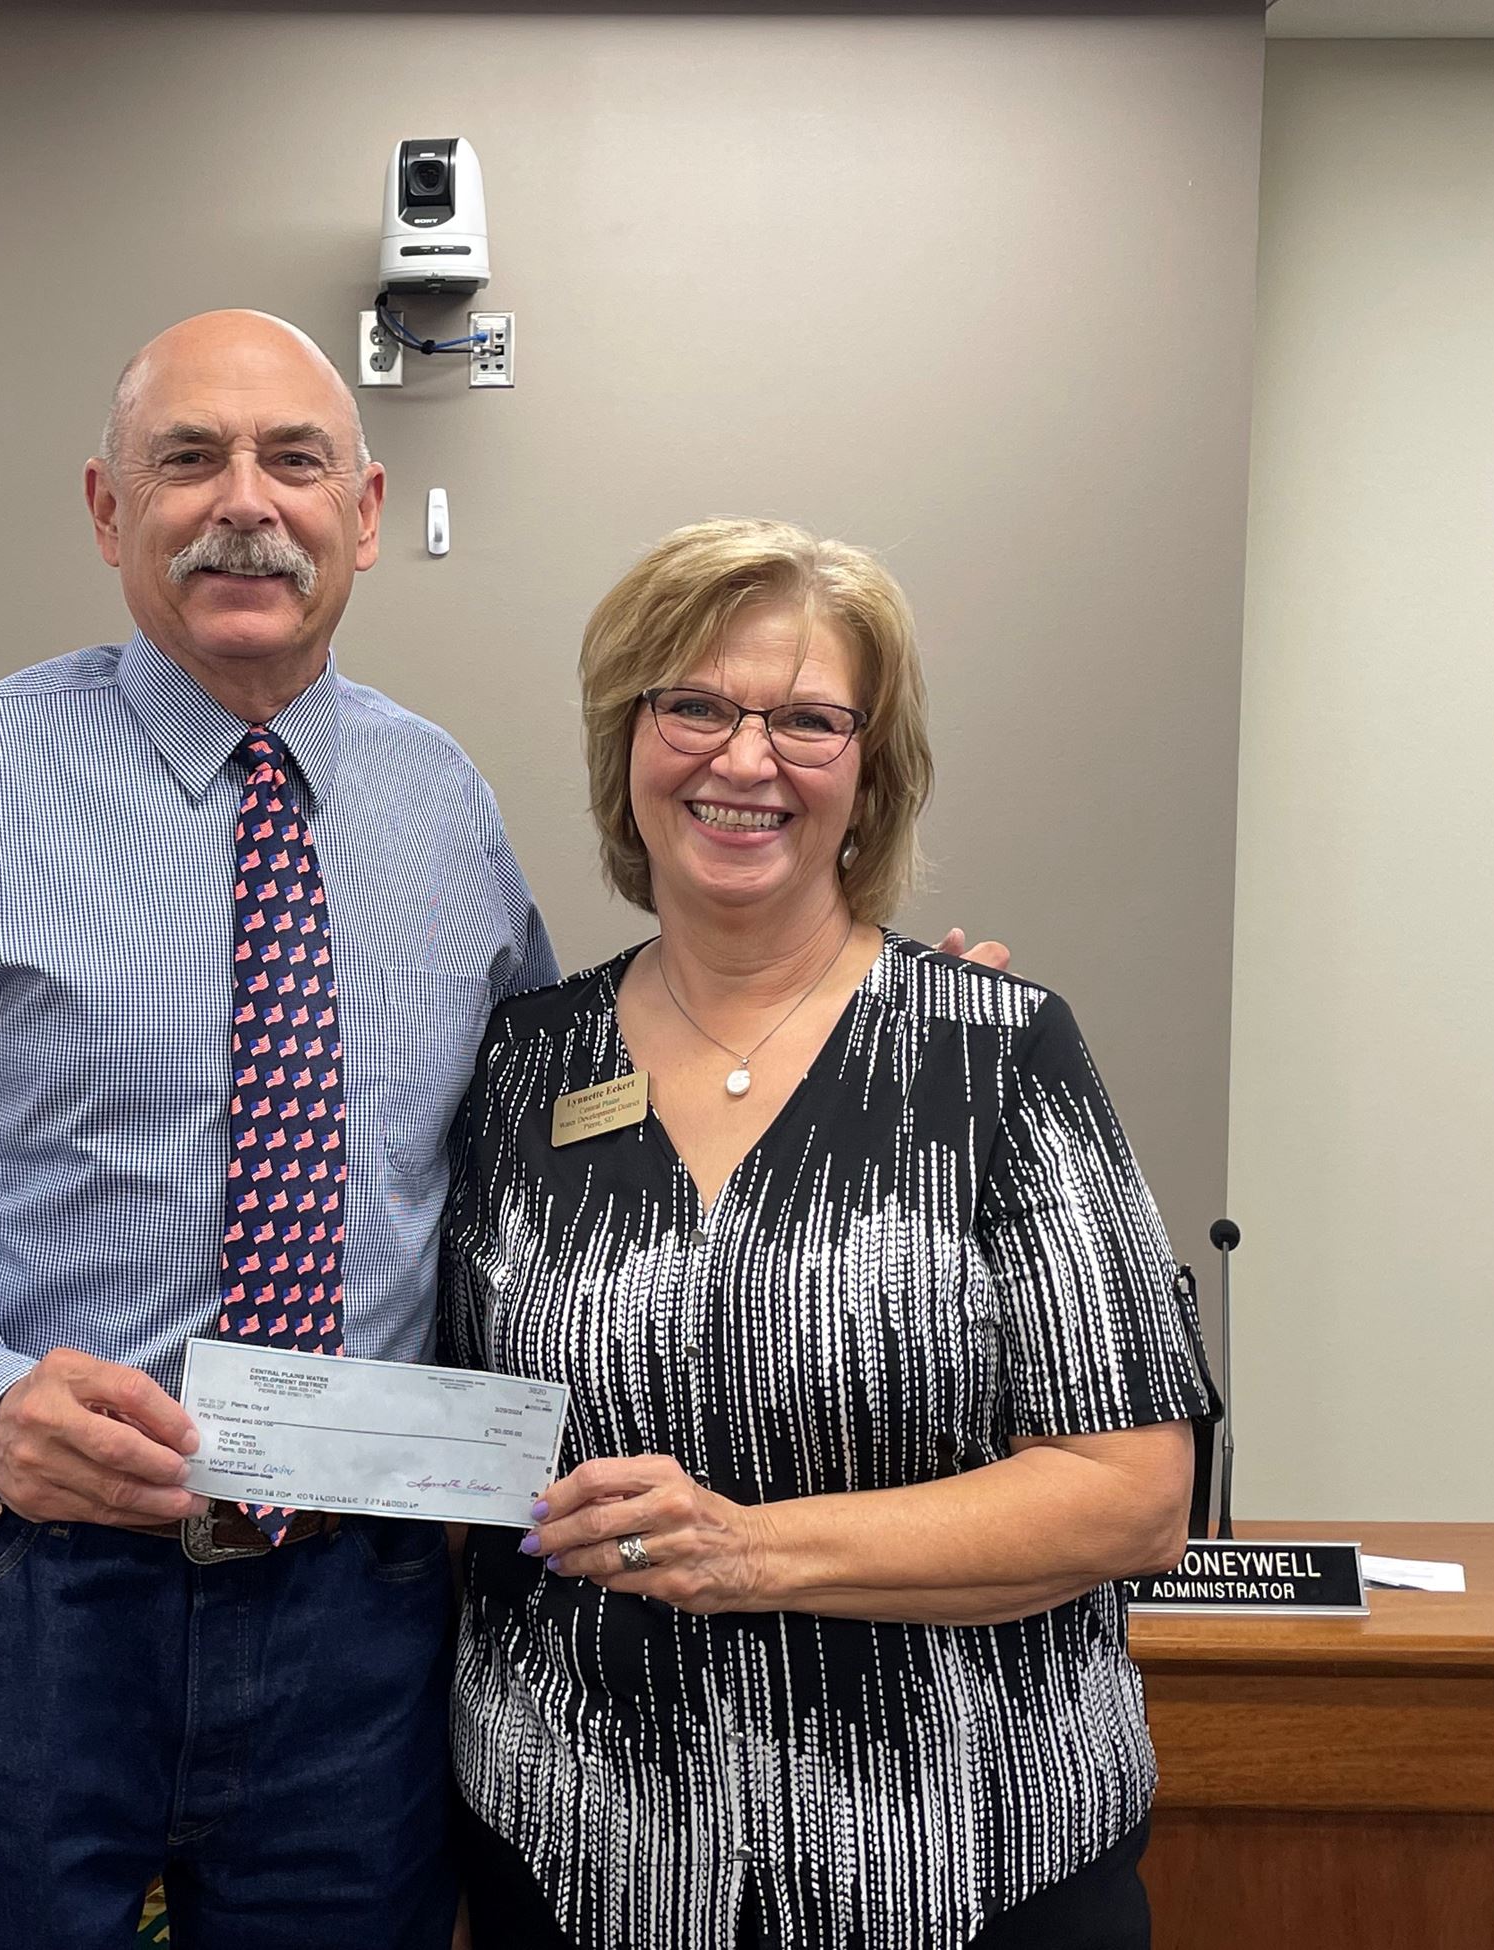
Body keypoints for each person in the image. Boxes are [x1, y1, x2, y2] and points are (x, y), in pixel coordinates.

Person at [0, 310, 558, 1950]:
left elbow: (548, 1145)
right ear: (110, 511)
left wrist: (850, 1006)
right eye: (189, 458)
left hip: (354, 1614)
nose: (245, 501)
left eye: (293, 460)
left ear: (366, 511)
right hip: (5, 1585)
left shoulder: (445, 807)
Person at [441, 519, 1211, 1950]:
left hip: (961, 1863)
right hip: (577, 1860)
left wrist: (752, 1550)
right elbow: (463, 1443)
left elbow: (1133, 1494)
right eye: (695, 705)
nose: (745, 759)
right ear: (628, 742)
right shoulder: (522, 1066)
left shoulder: (997, 1050)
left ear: (871, 770)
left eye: (806, 718)